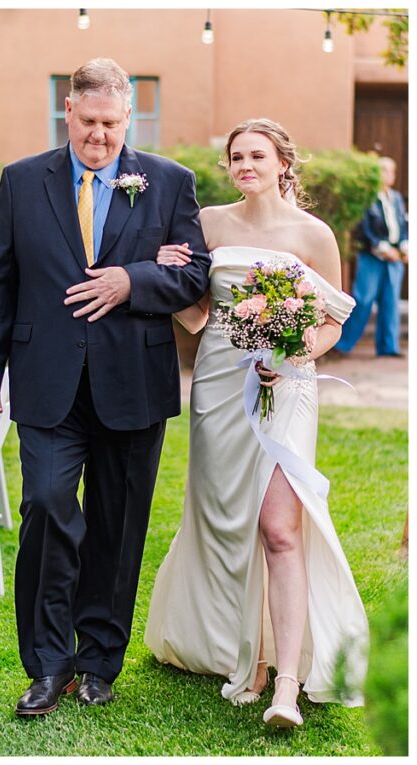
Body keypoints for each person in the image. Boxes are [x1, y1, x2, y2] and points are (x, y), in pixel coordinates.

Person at [0, 58, 211, 717]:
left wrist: (133, 281)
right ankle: (46, 665)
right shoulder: (22, 182)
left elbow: (196, 277)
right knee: (47, 508)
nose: (99, 135)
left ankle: (98, 659)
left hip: (133, 380)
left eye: (111, 123)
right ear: (67, 111)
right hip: (48, 383)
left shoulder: (168, 183)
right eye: (88, 121)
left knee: (118, 523)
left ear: (127, 117)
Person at [144, 118, 368, 728]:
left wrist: (292, 354)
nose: (246, 165)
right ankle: (245, 654)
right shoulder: (210, 224)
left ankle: (287, 684)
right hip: (217, 385)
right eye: (237, 157)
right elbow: (195, 313)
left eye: (257, 156)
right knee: (224, 518)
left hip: (285, 386)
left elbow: (333, 321)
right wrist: (164, 270)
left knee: (279, 526)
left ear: (282, 163)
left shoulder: (313, 234)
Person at [334, 155, 408, 357]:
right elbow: (364, 229)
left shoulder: (396, 198)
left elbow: (402, 226)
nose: (388, 174)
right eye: (384, 170)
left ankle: (388, 347)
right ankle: (343, 345)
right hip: (372, 256)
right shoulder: (368, 197)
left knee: (390, 303)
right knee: (363, 300)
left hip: (395, 258)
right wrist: (383, 249)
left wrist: (404, 246)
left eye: (391, 170)